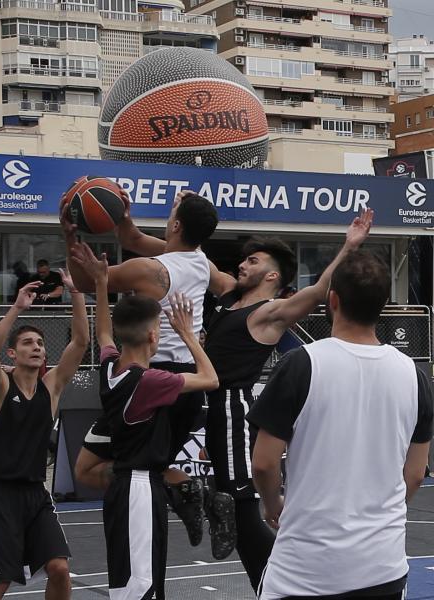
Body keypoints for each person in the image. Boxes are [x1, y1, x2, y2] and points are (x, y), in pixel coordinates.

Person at [112, 203, 374, 589]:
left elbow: (319, 291)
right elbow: (170, 253)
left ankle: (278, 587)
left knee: (243, 509)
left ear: (271, 274)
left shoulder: (269, 312)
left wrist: (349, 245)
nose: (242, 265)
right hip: (198, 397)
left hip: (232, 409)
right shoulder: (229, 298)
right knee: (145, 468)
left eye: (252, 261)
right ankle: (198, 494)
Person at [249, 250, 433, 600]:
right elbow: (415, 473)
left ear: (332, 300)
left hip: (306, 571)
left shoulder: (301, 365)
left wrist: (272, 504)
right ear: (382, 306)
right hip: (382, 566)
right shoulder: (414, 375)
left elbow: (264, 461)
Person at [64, 191, 223, 550]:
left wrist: (69, 234)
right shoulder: (199, 261)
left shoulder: (151, 269)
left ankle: (193, 493)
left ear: (177, 224)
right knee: (88, 469)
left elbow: (88, 281)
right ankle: (187, 489)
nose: (168, 216)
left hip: (155, 381)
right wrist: (120, 215)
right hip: (181, 379)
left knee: (134, 472)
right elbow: (132, 239)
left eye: (172, 212)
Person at [74, 242, 218, 600]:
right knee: (139, 589)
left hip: (129, 484)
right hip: (139, 486)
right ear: (154, 335)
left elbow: (104, 334)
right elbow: (211, 379)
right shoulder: (151, 381)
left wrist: (102, 283)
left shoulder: (110, 367)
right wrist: (188, 336)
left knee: (137, 582)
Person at [0, 274, 89, 600]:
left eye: (39, 344)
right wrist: (17, 308)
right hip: (0, 492)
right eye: (27, 343)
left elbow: (80, 342)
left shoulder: (50, 387)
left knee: (60, 569)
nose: (36, 347)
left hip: (36, 494)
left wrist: (76, 291)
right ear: (12, 353)